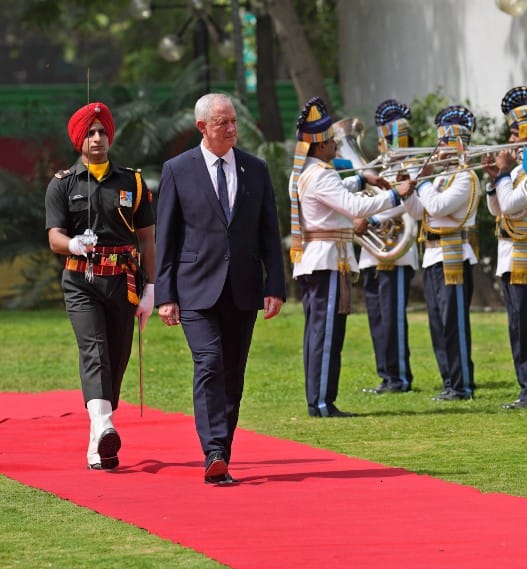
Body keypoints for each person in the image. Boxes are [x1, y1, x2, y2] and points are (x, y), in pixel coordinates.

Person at [154, 92, 286, 484]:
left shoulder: (255, 169)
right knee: (208, 362)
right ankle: (212, 448)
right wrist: (165, 295)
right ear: (201, 128)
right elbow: (167, 235)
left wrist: (274, 285)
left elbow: (269, 232)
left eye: (233, 122)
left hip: (243, 289)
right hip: (194, 288)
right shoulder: (178, 170)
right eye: (221, 123)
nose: (231, 129)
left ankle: (221, 454)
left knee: (233, 374)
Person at [46, 101, 156, 471]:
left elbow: (147, 239)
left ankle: (98, 440)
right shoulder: (63, 185)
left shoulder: (132, 182)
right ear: (79, 141)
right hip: (81, 280)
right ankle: (106, 424)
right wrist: (73, 243)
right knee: (94, 351)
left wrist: (152, 289)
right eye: (90, 134)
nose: (97, 138)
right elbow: (55, 237)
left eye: (102, 132)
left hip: (123, 282)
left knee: (117, 358)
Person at [289, 97, 411, 419]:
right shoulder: (322, 175)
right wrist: (397, 194)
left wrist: (363, 178)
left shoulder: (312, 173)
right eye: (329, 142)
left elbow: (336, 193)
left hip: (322, 260)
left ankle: (321, 400)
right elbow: (354, 207)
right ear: (318, 147)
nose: (333, 146)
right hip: (328, 260)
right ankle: (321, 403)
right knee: (326, 335)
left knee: (321, 333)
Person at [485, 86, 527, 409]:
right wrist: (492, 181)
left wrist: (500, 176)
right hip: (510, 256)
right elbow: (496, 211)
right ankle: (525, 386)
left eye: (514, 133)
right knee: (517, 326)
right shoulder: (515, 170)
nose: (510, 140)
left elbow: (511, 204)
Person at [408, 105, 483, 402]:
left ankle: (462, 383)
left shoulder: (465, 177)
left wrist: (423, 182)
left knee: (454, 324)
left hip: (455, 255)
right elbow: (419, 212)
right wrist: (408, 189)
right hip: (433, 256)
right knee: (438, 325)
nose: (438, 151)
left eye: (444, 145)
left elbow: (438, 207)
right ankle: (449, 381)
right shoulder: (439, 179)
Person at [358, 99, 420, 395]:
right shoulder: (376, 168)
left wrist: (368, 215)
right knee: (377, 318)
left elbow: (400, 207)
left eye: (389, 140)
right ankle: (385, 375)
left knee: (392, 319)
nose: (385, 146)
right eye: (383, 140)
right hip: (373, 252)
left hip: (397, 251)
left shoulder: (411, 169)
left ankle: (400, 377)